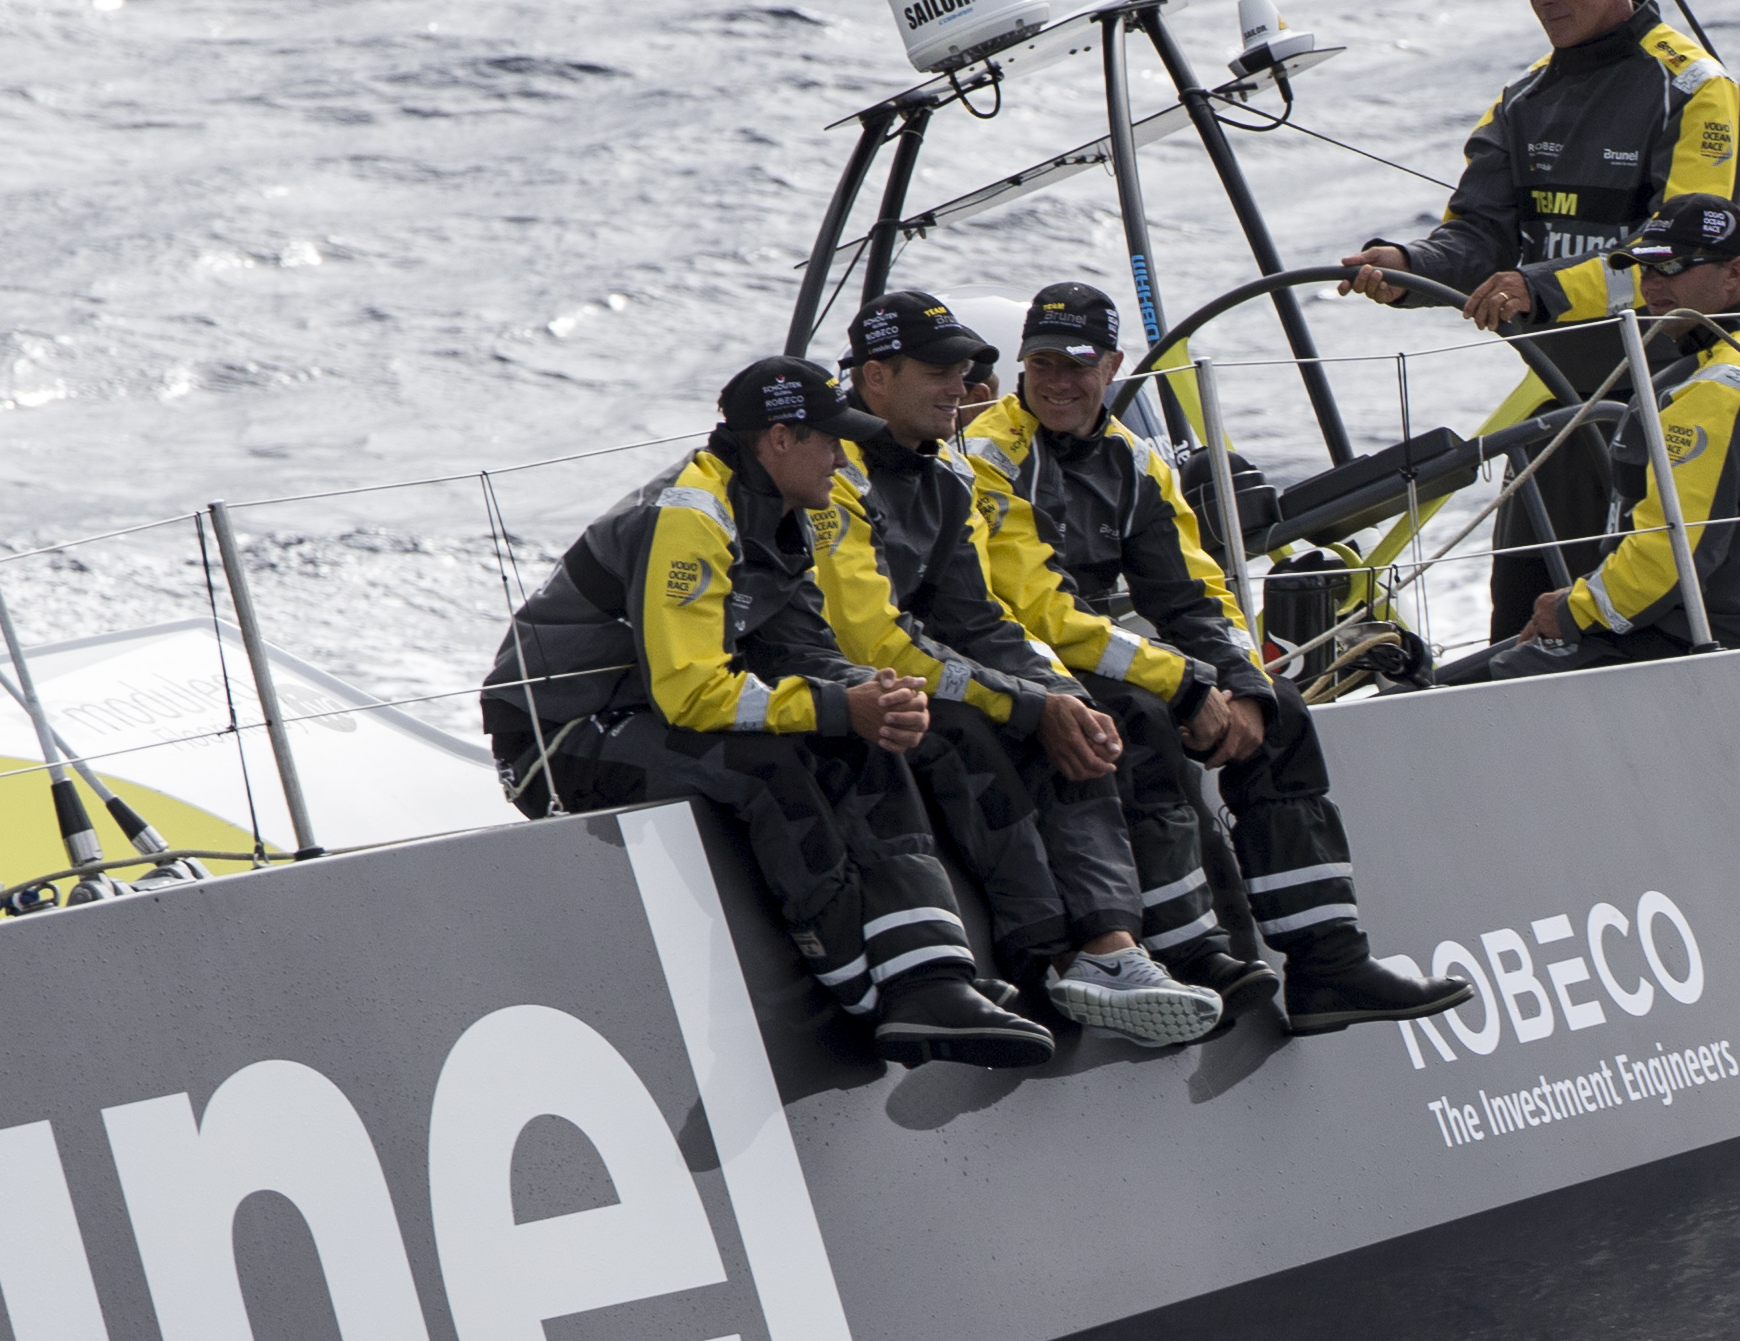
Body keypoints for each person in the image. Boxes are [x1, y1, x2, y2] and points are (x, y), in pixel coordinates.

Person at [483, 355, 1052, 1066]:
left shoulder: (786, 514)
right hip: (557, 737)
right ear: (778, 441)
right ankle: (862, 991)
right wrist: (839, 704)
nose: (845, 458)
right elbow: (689, 691)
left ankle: (930, 977)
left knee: (864, 739)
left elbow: (804, 650)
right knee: (766, 767)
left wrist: (875, 695)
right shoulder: (691, 517)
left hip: (642, 709)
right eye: (830, 439)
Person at [960, 282, 1473, 1037]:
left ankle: (1329, 962)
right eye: (1041, 363)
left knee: (1282, 712)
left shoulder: (1136, 461)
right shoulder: (986, 456)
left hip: (1099, 648)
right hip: (1025, 652)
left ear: (1112, 366)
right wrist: (1183, 684)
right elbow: (1036, 610)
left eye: (1077, 364)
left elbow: (1195, 594)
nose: (1057, 381)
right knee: (1135, 714)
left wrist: (1238, 685)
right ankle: (1189, 953)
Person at [815, 289, 1221, 1048]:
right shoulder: (830, 466)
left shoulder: (941, 471)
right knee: (971, 733)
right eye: (940, 371)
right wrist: (1027, 705)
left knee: (1081, 718)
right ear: (874, 378)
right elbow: (869, 634)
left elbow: (980, 616)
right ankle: (1046, 961)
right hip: (815, 679)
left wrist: (1057, 695)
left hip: (905, 667)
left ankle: (1114, 949)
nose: (964, 389)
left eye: (967, 369)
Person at [1337, 0, 1740, 640]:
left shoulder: (1692, 88)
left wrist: (1543, 287)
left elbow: (1689, 253)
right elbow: (1475, 240)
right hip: (1564, 401)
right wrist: (1405, 268)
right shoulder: (1521, 100)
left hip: (1674, 391)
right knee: (1520, 620)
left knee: (1651, 621)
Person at [1435, 195, 1740, 682]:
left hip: (1692, 641)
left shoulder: (1717, 387)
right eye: (1642, 269)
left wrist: (1575, 609)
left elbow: (1673, 554)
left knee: (1472, 688)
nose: (1652, 285)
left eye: (1671, 267)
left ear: (1735, 273)